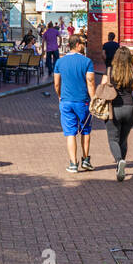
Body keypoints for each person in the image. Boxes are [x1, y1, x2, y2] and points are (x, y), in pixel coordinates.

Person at [53, 35, 96, 174]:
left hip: (66, 101)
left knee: (70, 133)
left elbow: (56, 83)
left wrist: (60, 96)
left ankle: (73, 163)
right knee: (85, 130)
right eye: (82, 43)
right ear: (77, 44)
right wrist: (93, 98)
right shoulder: (87, 61)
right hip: (83, 101)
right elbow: (90, 82)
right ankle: (85, 160)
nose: (84, 45)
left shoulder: (60, 62)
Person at [104, 47, 133, 182]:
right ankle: (121, 162)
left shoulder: (109, 72)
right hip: (129, 108)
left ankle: (119, 161)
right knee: (123, 139)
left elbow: (102, 88)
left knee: (113, 139)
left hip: (113, 108)